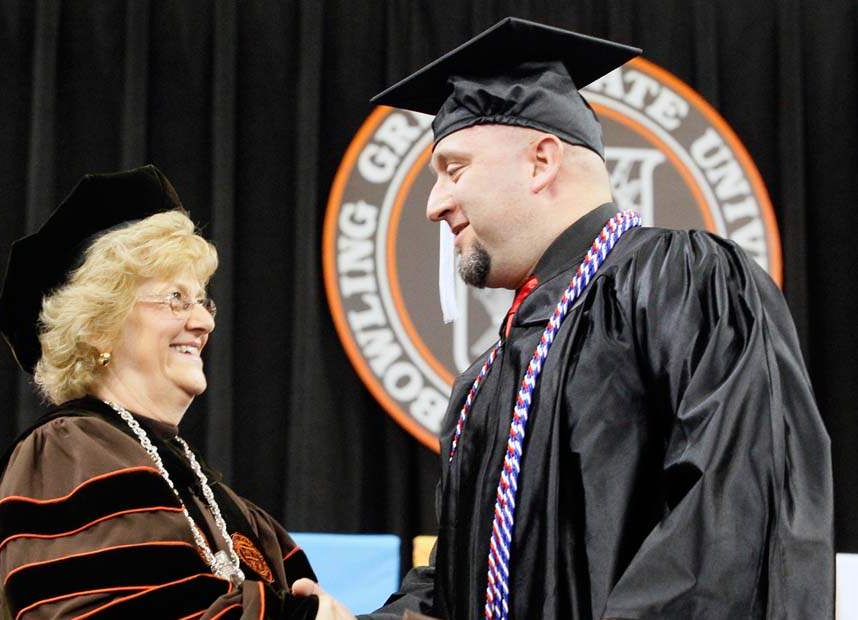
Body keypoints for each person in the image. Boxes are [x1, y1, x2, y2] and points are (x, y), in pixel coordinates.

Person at [353, 17, 833, 620]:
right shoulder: (487, 379)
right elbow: (470, 575)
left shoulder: (683, 283)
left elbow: (731, 523)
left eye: (455, 169)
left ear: (541, 161)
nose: (434, 204)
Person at [0, 165, 339, 619]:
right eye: (176, 299)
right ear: (98, 326)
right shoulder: (70, 456)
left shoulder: (220, 501)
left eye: (202, 300)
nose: (204, 322)